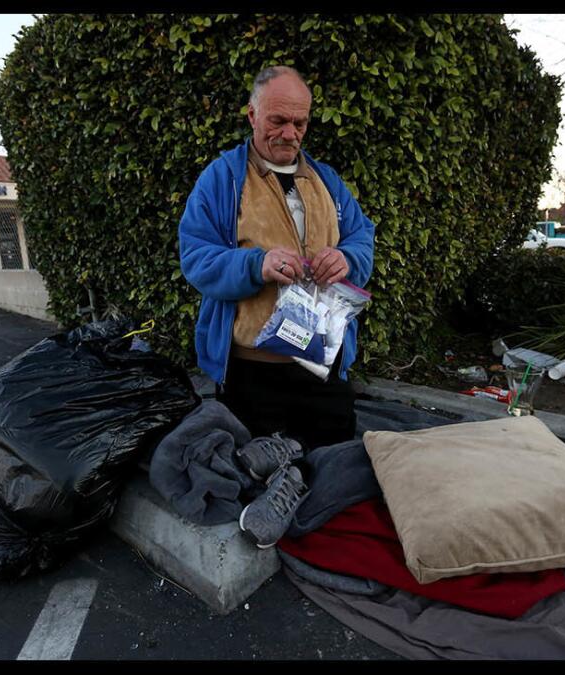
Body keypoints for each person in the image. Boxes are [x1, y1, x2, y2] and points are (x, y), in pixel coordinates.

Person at [178, 65, 376, 547]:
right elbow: (195, 257)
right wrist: (256, 265)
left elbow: (363, 241)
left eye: (300, 123)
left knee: (340, 453)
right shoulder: (222, 179)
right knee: (244, 461)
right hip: (251, 367)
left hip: (321, 362)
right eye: (278, 121)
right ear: (252, 114)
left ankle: (291, 459)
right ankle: (287, 462)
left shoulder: (327, 180)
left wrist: (345, 258)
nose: (290, 134)